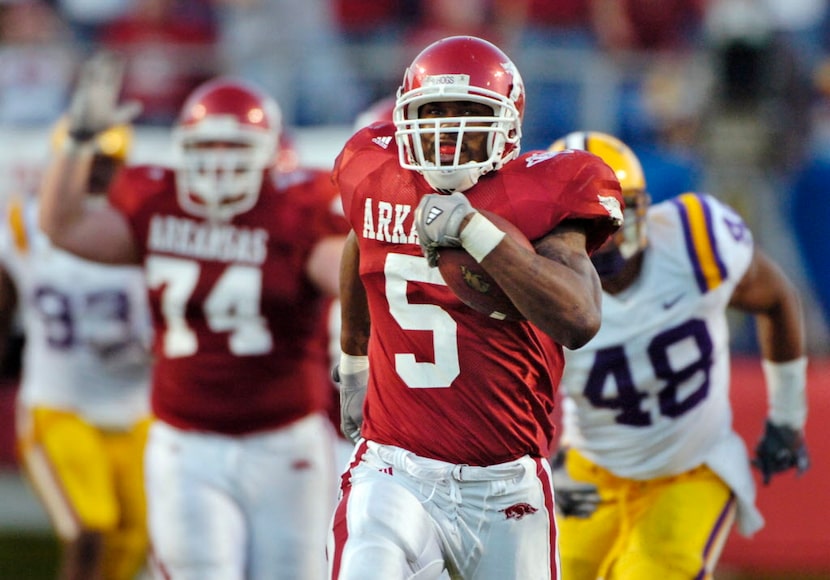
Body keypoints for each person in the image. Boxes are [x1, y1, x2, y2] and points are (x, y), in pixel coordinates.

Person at [38, 52, 350, 579]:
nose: (220, 163)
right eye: (207, 148)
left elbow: (350, 274)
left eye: (236, 148)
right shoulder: (159, 203)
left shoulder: (295, 211)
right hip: (186, 442)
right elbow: (64, 227)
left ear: (272, 155)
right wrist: (76, 143)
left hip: (285, 441)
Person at [328, 35, 624, 579]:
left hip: (506, 483)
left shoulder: (544, 191)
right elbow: (360, 239)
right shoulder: (377, 174)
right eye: (433, 112)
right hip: (395, 468)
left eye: (469, 112)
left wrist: (474, 230)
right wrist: (353, 360)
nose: (448, 129)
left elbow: (579, 318)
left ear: (508, 121)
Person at [547, 130, 810, 580]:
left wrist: (787, 416)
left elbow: (776, 297)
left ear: (640, 208)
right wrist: (551, 464)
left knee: (652, 571)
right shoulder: (537, 284)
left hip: (689, 468)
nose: (601, 235)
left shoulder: (694, 239)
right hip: (591, 467)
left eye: (611, 213)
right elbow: (510, 389)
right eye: (580, 220)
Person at [3, 119, 152, 580]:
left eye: (108, 162)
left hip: (136, 409)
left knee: (137, 539)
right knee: (91, 529)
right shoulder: (24, 223)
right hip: (60, 406)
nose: (96, 172)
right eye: (89, 159)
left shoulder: (146, 225)